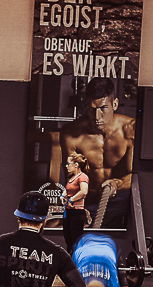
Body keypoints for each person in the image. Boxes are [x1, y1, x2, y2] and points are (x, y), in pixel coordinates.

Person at [49, 78, 135, 228]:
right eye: (91, 109)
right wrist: (78, 208)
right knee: (53, 227)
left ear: (114, 104)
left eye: (103, 108)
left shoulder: (129, 130)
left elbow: (134, 176)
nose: (97, 117)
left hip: (121, 202)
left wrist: (117, 183)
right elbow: (72, 180)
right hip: (88, 203)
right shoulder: (71, 134)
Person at [61, 152, 90, 250]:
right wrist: (63, 195)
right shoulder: (71, 177)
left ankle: (74, 262)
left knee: (75, 240)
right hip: (68, 211)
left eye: (68, 164)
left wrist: (72, 199)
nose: (66, 166)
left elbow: (84, 191)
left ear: (76, 165)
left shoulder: (83, 177)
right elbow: (67, 189)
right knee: (68, 239)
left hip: (77, 213)